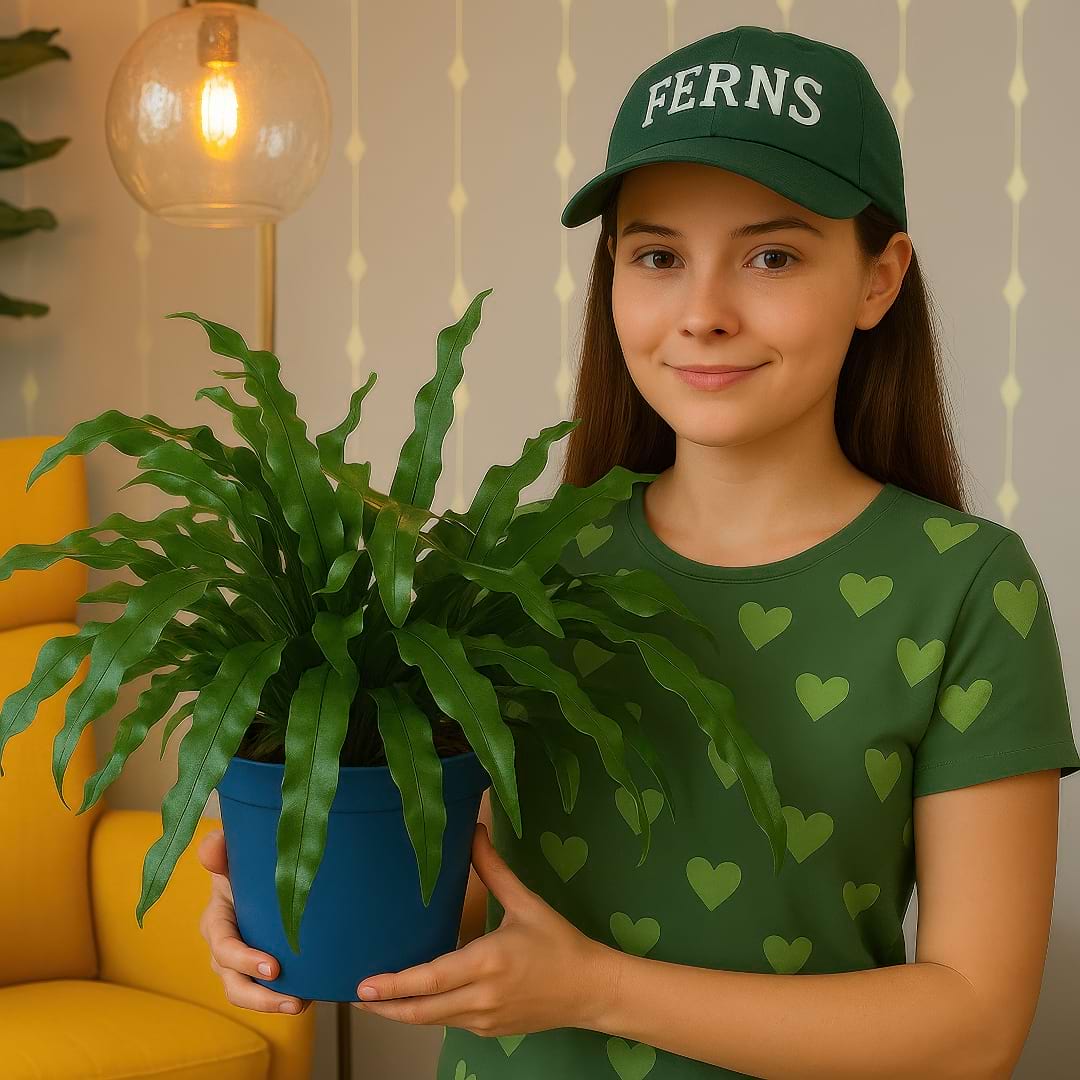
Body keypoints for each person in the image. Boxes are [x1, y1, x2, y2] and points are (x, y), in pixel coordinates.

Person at [198, 23, 1080, 1078]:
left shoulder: (968, 586)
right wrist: (292, 890)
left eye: (772, 255)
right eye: (657, 256)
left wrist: (594, 988)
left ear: (878, 279)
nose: (702, 313)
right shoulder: (513, 570)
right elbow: (472, 888)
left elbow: (974, 1029)